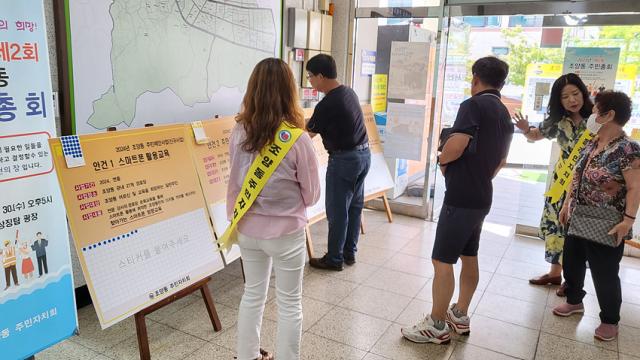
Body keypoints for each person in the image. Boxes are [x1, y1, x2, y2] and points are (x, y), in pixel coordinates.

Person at [401, 57, 513, 344]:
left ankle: (436, 325)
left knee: (442, 259)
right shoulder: (503, 112)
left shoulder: (472, 105)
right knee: (469, 255)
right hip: (482, 194)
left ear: (476, 79)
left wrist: (442, 159)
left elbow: (457, 143)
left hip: (461, 195)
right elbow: (502, 160)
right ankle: (459, 315)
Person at [227, 58, 321, 360]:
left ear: (252, 89)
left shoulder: (240, 131)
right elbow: (312, 194)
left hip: (248, 229)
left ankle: (248, 356)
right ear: (288, 91)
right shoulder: (297, 138)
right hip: (286, 234)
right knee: (290, 303)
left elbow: (235, 181)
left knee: (252, 295)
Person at [555, 91, 640, 342]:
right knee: (572, 261)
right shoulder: (593, 141)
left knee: (604, 273)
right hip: (579, 215)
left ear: (609, 115)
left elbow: (635, 187)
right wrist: (567, 204)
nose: (591, 114)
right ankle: (574, 301)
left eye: (595, 110)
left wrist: (628, 221)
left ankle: (609, 320)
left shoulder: (628, 149)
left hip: (608, 221)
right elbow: (578, 174)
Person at [514, 73, 593, 296]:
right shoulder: (558, 121)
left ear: (583, 93)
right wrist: (525, 128)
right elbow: (535, 135)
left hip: (586, 184)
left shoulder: (596, 119)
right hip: (561, 184)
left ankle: (573, 279)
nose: (571, 100)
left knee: (577, 231)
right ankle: (554, 272)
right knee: (556, 227)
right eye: (565, 96)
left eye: (575, 94)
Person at [305, 54, 371, 271]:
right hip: (363, 156)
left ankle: (334, 259)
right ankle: (349, 253)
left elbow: (308, 133)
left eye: (310, 77)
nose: (310, 82)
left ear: (321, 76)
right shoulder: (348, 92)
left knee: (337, 211)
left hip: (344, 160)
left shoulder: (327, 103)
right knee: (354, 207)